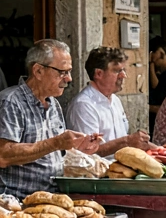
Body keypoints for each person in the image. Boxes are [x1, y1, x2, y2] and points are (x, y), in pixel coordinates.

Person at [0, 40, 102, 197]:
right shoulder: (11, 102)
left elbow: (51, 154)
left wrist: (78, 147)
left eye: (69, 72)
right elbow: (3, 155)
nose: (69, 79)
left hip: (51, 196)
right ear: (38, 71)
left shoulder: (53, 103)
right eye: (62, 72)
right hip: (17, 201)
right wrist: (56, 143)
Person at [66, 46, 151, 155]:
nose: (123, 76)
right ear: (98, 74)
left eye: (123, 70)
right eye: (117, 71)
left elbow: (123, 138)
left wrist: (161, 149)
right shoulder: (84, 105)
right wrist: (127, 142)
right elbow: (87, 152)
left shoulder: (115, 100)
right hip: (97, 170)